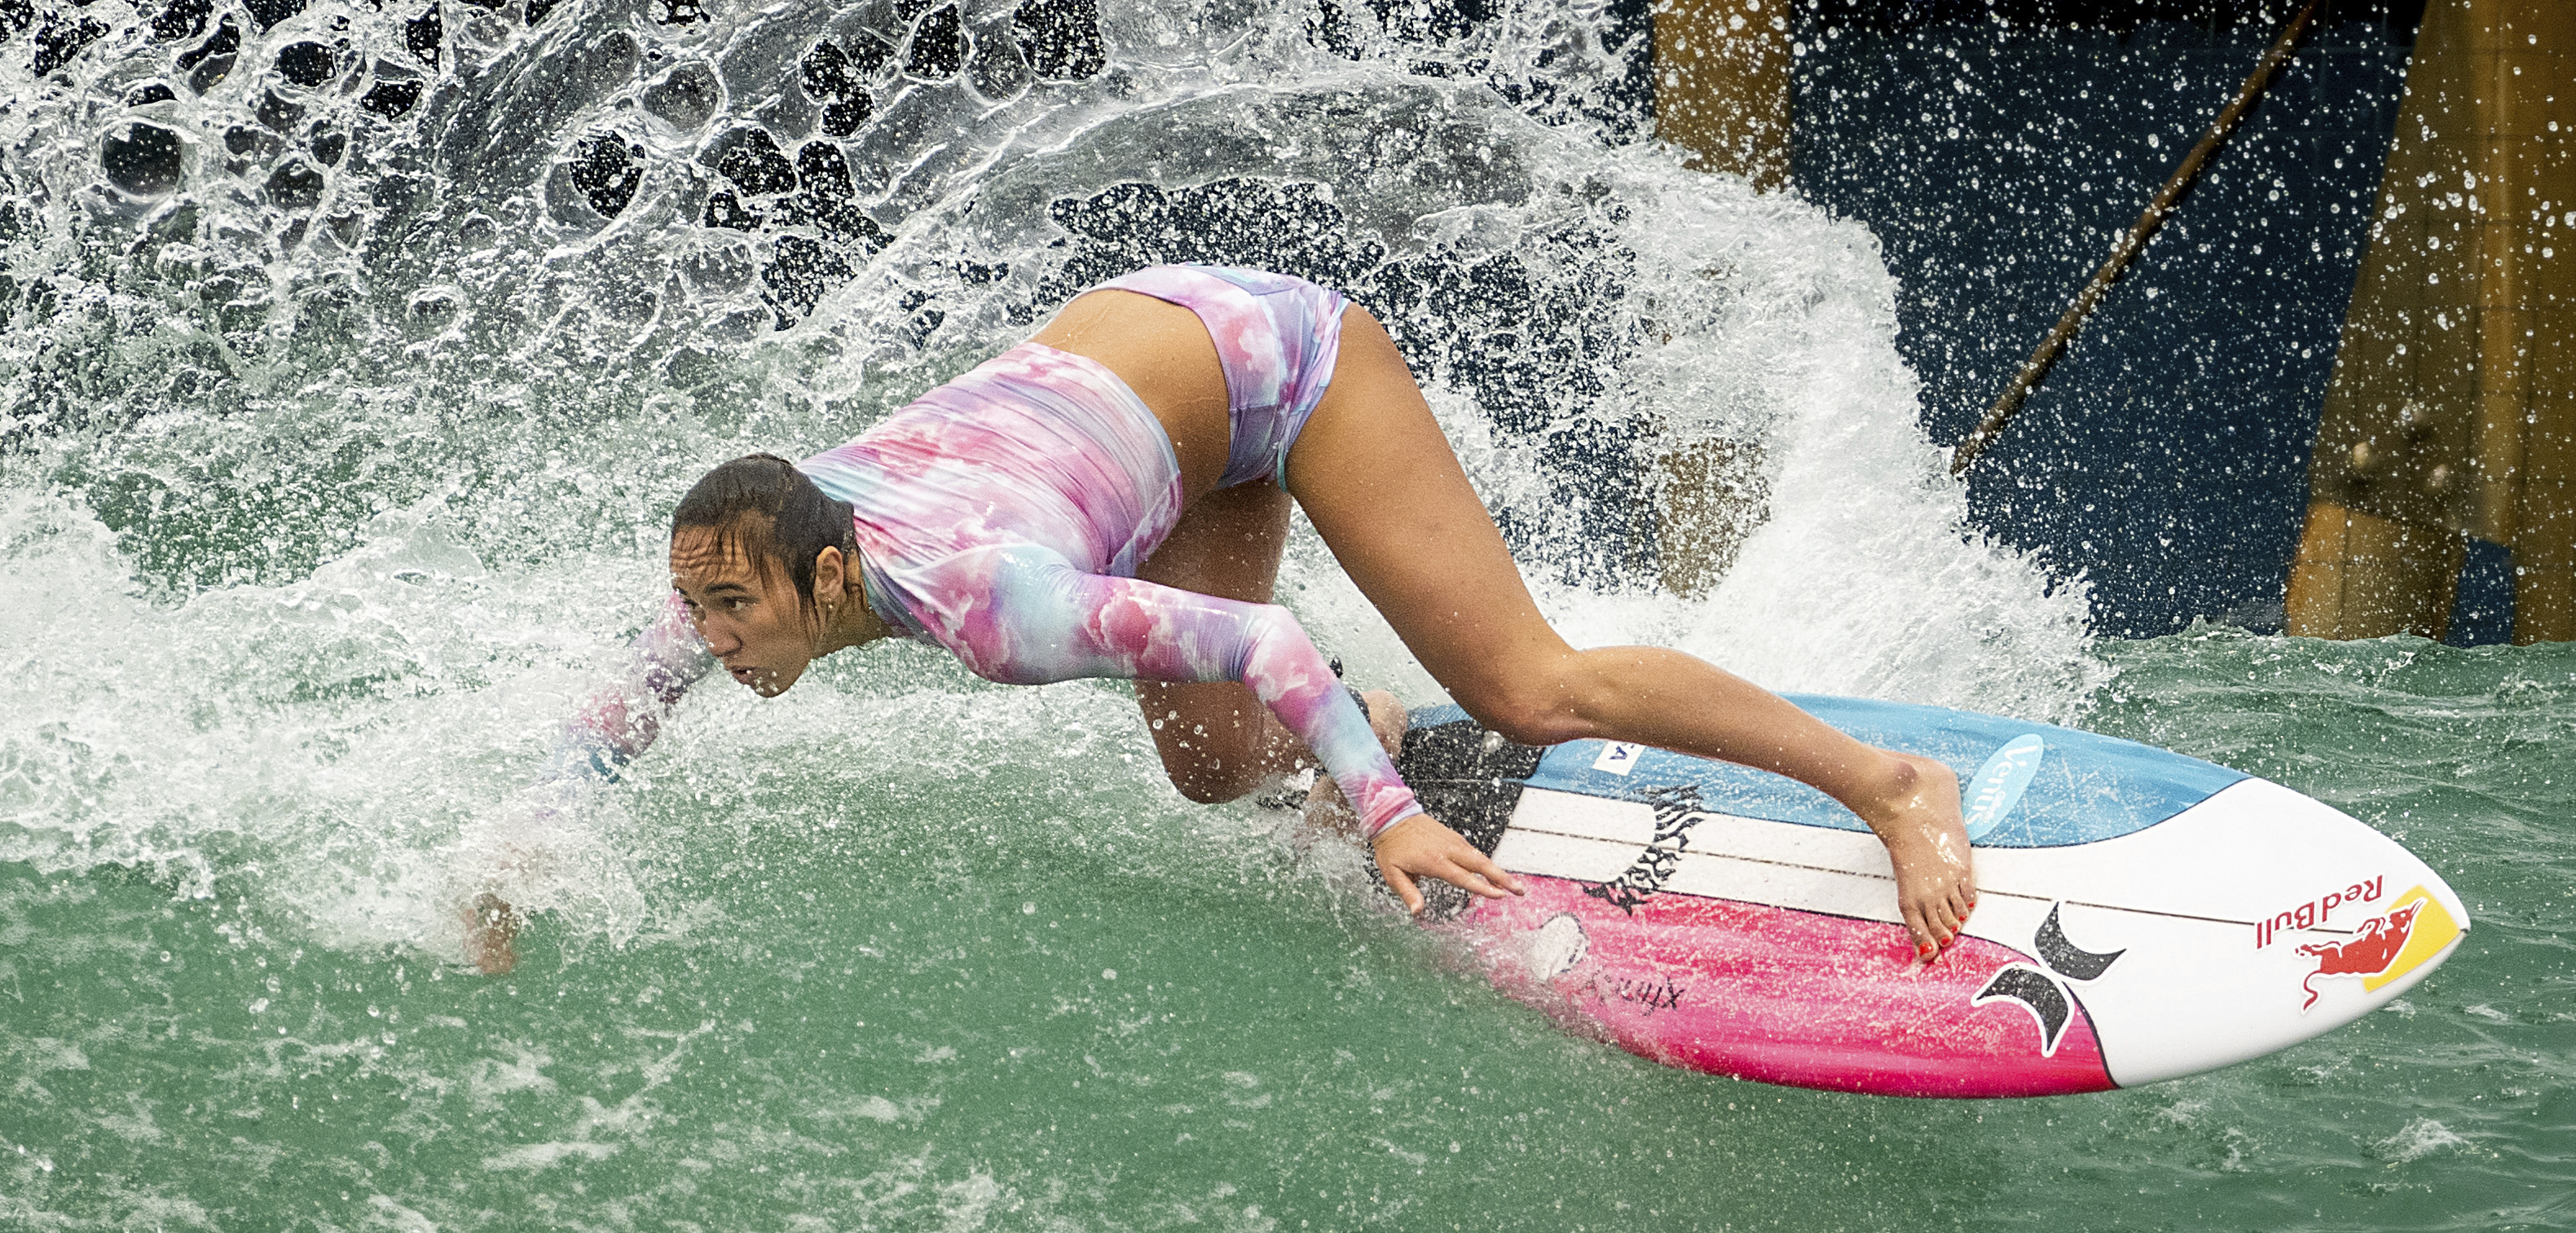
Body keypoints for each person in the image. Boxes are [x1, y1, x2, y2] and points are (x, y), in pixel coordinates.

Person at [462, 263, 1975, 972]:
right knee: (1207, 766)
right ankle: (1362, 732)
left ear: (829, 575)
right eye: (703, 605)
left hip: (1269, 363)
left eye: (734, 609)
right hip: (1145, 413)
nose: (713, 639)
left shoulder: (992, 607)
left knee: (1525, 685)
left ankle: (1884, 784)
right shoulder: (767, 541)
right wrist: (520, 852)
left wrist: (1385, 817)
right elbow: (623, 702)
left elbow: (1264, 644)